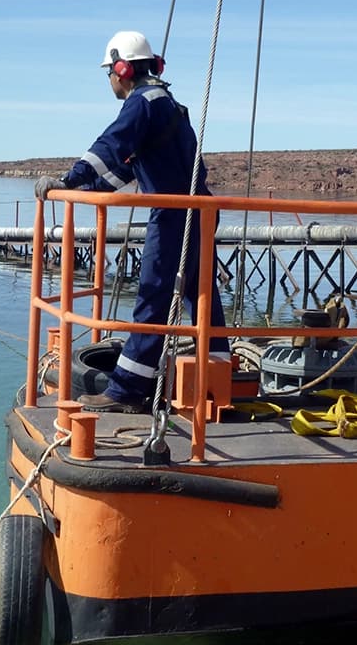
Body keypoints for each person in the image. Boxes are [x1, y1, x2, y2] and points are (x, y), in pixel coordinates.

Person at [34, 30, 229, 414]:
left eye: (109, 71)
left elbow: (112, 145)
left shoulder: (142, 104)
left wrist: (69, 181)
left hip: (174, 212)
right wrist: (87, 184)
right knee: (200, 292)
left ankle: (125, 390)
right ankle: (222, 371)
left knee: (154, 295)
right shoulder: (166, 103)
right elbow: (125, 167)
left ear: (122, 69)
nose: (109, 79)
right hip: (199, 208)